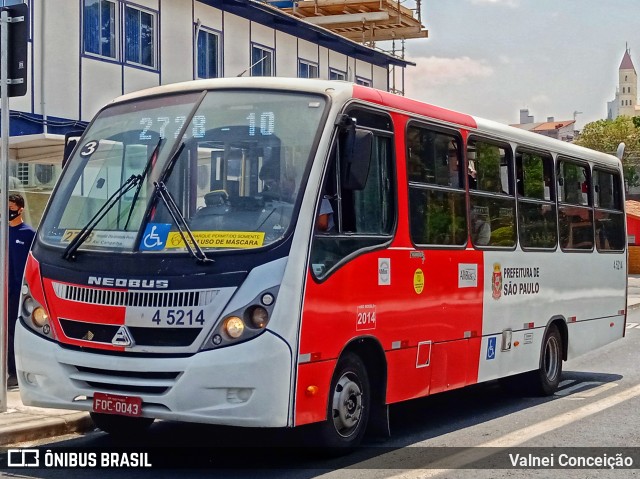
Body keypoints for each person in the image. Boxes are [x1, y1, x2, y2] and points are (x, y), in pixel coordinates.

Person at [7, 193, 36, 388]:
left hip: (19, 293)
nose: (8, 212)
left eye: (11, 209)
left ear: (20, 209)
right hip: (4, 290)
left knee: (14, 331)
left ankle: (16, 371)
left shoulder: (28, 234)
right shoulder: (3, 232)